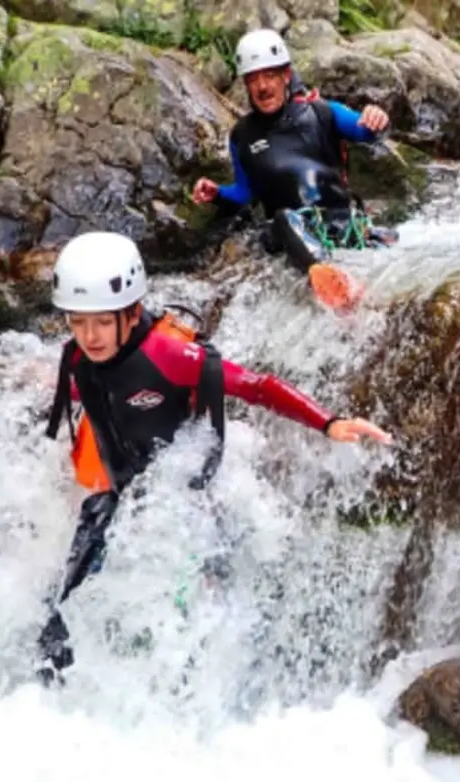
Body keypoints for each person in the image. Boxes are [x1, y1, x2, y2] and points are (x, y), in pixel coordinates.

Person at [34, 230, 392, 685]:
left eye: (102, 322)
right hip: (120, 496)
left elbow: (256, 386)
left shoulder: (169, 354)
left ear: (131, 312)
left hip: (183, 500)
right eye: (77, 322)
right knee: (60, 618)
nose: (90, 336)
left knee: (187, 621)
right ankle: (60, 699)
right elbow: (91, 390)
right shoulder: (78, 356)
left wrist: (328, 422)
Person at [191, 28, 399, 305]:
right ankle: (330, 278)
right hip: (288, 231)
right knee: (283, 219)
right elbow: (244, 193)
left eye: (270, 76)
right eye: (253, 79)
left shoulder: (322, 112)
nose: (262, 86)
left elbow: (366, 131)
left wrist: (377, 120)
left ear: (286, 76)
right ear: (246, 85)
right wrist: (217, 193)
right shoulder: (242, 136)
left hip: (338, 222)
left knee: (394, 238)